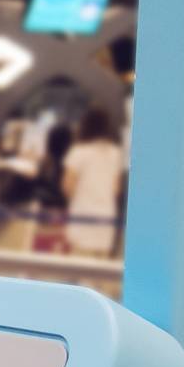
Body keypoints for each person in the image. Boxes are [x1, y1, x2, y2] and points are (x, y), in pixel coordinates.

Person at [63, 108, 127, 257]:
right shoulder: (116, 153)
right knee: (99, 272)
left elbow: (68, 186)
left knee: (79, 269)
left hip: (83, 216)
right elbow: (116, 189)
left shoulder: (78, 152)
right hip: (107, 216)